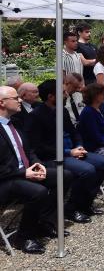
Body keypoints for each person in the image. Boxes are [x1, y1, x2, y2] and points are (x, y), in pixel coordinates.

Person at [25, 79, 104, 223]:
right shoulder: (35, 116)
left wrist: (79, 145)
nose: (67, 95)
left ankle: (85, 203)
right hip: (52, 157)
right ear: (51, 96)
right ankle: (72, 208)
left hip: (72, 151)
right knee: (87, 170)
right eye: (63, 93)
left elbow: (74, 132)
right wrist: (68, 152)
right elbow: (38, 146)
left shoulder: (63, 111)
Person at [0, 86, 73, 254]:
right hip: (5, 180)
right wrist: (23, 172)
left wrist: (37, 164)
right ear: (2, 103)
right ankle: (23, 237)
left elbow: (29, 150)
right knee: (38, 192)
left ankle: (42, 222)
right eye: (15, 98)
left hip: (23, 173)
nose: (20, 100)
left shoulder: (15, 123)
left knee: (63, 176)